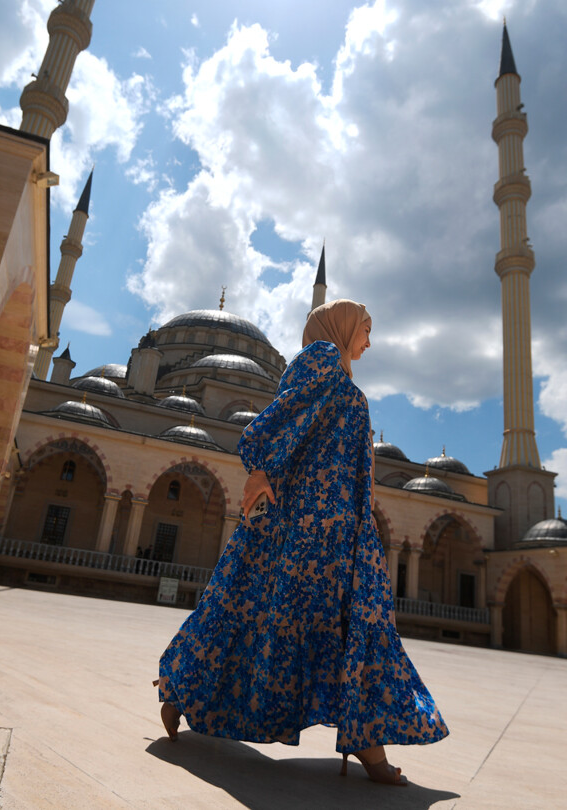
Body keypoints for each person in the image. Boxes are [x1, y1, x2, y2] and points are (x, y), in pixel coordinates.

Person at [154, 300, 449, 786]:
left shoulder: (331, 370)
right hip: (308, 527)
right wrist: (261, 469)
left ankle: (183, 692)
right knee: (323, 621)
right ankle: (183, 692)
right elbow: (278, 419)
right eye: (366, 330)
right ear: (342, 328)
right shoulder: (323, 360)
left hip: (336, 526)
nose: (369, 342)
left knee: (291, 616)